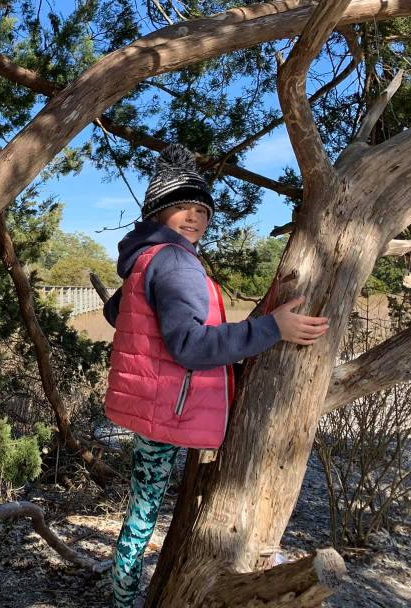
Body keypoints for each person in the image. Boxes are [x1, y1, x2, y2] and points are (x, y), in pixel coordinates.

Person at [102, 144, 329, 607]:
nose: (195, 217)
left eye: (203, 210)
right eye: (183, 207)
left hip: (152, 405)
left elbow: (117, 313)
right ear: (158, 211)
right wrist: (272, 328)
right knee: (144, 517)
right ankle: (124, 601)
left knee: (141, 510)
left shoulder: (144, 258)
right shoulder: (175, 260)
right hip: (171, 409)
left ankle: (122, 595)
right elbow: (190, 345)